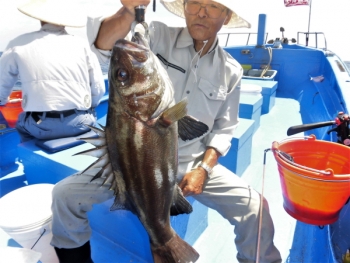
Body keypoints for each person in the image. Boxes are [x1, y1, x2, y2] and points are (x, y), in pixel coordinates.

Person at [51, 0, 282, 262]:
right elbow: (105, 46)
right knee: (64, 195)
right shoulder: (155, 35)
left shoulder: (231, 70)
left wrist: (203, 170)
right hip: (131, 163)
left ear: (227, 17)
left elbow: (224, 129)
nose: (201, 12)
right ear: (184, 8)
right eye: (194, 3)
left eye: (213, 6)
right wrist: (128, 12)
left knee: (255, 208)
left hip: (192, 161)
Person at [0, 0, 105, 142]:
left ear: (40, 18)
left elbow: (2, 85)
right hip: (80, 123)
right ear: (65, 20)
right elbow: (98, 89)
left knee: (21, 124)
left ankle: (29, 158)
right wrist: (88, 107)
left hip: (41, 125)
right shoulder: (82, 45)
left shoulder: (18, 43)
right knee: (92, 117)